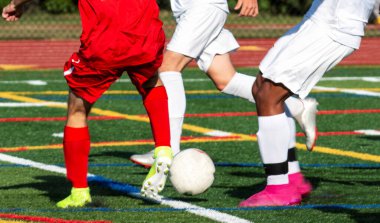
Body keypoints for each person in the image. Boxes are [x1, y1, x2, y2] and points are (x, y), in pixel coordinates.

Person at [130, 0, 316, 198]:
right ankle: (296, 106)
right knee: (225, 79)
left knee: (168, 67)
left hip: (202, 7)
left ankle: (169, 148)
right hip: (193, 9)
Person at [3, 0, 173, 205]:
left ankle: (79, 190)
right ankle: (163, 148)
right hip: (145, 29)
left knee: (77, 109)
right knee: (151, 81)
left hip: (106, 37)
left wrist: (16, 3)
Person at [239, 0, 375, 207]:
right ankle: (292, 179)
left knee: (269, 94)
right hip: (322, 19)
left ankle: (279, 188)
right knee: (261, 87)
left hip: (335, 25)